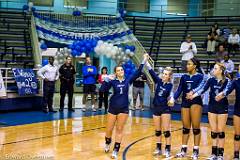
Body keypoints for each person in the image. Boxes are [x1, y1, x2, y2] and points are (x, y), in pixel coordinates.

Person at [103, 54, 149, 159]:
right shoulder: (112, 81)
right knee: (109, 130)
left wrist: (143, 60)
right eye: (118, 70)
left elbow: (138, 72)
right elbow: (103, 90)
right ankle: (108, 142)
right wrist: (106, 80)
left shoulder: (128, 80)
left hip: (123, 108)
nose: (120, 71)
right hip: (112, 108)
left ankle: (115, 150)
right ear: (115, 72)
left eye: (121, 70)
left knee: (119, 129)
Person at [189, 63, 231, 160]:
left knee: (220, 131)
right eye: (213, 68)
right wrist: (193, 96)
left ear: (220, 71)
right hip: (212, 107)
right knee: (213, 132)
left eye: (215, 68)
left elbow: (227, 90)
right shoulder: (211, 80)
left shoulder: (227, 81)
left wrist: (221, 95)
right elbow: (202, 89)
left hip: (222, 108)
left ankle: (220, 154)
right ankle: (214, 154)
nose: (213, 70)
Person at [169, 58, 204, 159]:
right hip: (185, 102)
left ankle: (196, 150)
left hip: (196, 102)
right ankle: (183, 150)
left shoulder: (200, 77)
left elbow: (201, 89)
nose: (187, 66)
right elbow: (179, 90)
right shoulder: (184, 77)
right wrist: (173, 98)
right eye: (187, 64)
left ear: (195, 66)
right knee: (185, 128)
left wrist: (194, 95)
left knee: (196, 128)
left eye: (189, 64)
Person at [146, 62, 174, 158]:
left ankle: (167, 149)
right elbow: (151, 72)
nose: (163, 75)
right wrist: (146, 62)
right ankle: (158, 148)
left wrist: (171, 99)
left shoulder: (170, 86)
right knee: (157, 131)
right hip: (156, 108)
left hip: (165, 109)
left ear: (169, 76)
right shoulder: (159, 81)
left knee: (166, 131)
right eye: (163, 73)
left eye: (166, 74)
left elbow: (172, 95)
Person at [217, 75, 240, 160]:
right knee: (237, 135)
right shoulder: (236, 81)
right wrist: (221, 94)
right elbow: (228, 90)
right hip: (238, 111)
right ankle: (236, 155)